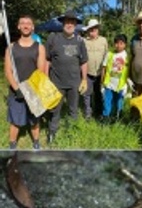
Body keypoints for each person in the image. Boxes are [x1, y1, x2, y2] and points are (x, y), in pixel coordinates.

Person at [44, 12, 88, 144]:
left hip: (74, 82)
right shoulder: (53, 38)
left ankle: (71, 133)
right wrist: (46, 78)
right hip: (56, 82)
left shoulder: (80, 41)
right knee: (55, 110)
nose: (69, 24)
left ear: (75, 25)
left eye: (72, 22)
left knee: (73, 109)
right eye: (67, 21)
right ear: (63, 23)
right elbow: (47, 60)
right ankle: (52, 133)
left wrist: (84, 79)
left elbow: (84, 61)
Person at [5, 14, 46, 150]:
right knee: (15, 120)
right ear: (18, 26)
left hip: (33, 89)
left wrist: (29, 89)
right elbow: (8, 71)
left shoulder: (39, 47)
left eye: (28, 23)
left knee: (34, 119)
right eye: (22, 23)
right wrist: (17, 88)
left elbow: (40, 71)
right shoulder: (11, 48)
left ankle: (36, 142)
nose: (26, 25)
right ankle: (12, 145)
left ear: (32, 27)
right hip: (16, 91)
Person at [81, 17, 108, 121]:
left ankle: (99, 112)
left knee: (99, 93)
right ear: (88, 30)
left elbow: (106, 55)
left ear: (98, 29)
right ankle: (88, 114)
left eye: (95, 29)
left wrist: (105, 72)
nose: (93, 31)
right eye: (91, 29)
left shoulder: (103, 40)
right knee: (86, 94)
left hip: (100, 72)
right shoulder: (84, 41)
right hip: (88, 72)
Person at [102, 34, 129, 119]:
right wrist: (102, 84)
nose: (118, 45)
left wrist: (127, 85)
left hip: (120, 85)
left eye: (121, 43)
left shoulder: (127, 56)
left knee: (118, 102)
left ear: (125, 45)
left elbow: (129, 70)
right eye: (116, 43)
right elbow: (104, 68)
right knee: (107, 102)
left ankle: (118, 117)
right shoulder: (109, 54)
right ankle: (106, 118)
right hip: (109, 84)